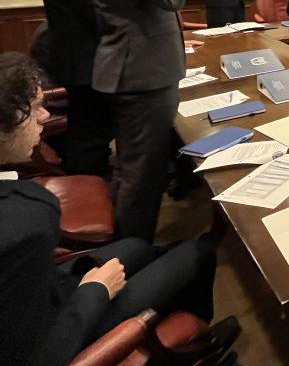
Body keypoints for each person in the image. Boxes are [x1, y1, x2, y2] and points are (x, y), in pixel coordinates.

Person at [0, 53, 217, 366]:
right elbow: (38, 353)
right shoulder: (25, 219)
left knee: (139, 246)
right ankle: (192, 346)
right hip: (66, 321)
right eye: (34, 109)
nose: (45, 116)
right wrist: (95, 291)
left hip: (46, 291)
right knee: (196, 254)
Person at [87, 0, 211, 240]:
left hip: (144, 66)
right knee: (142, 173)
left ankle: (129, 249)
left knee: (141, 167)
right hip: (140, 73)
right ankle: (129, 259)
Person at [39, 0, 111, 176]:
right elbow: (100, 13)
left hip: (86, 62)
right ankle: (92, 190)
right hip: (87, 66)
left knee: (93, 133)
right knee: (90, 137)